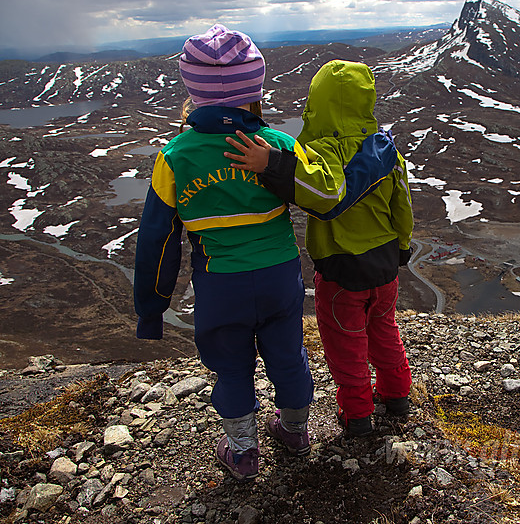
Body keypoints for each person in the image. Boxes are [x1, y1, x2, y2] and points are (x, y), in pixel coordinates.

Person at [133, 24, 317, 481]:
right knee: (289, 354)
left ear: (192, 89)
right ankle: (294, 432)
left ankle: (242, 452)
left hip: (221, 286)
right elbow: (320, 193)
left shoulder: (175, 157)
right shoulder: (279, 145)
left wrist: (152, 310)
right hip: (279, 278)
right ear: (254, 87)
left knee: (231, 368)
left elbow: (156, 242)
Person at [224, 59, 414, 437]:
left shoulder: (324, 153)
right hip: (385, 267)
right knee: (384, 330)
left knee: (347, 346)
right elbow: (403, 207)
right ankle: (397, 396)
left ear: (319, 104)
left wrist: (271, 163)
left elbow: (315, 190)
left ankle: (357, 415)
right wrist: (403, 248)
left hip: (342, 274)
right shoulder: (387, 150)